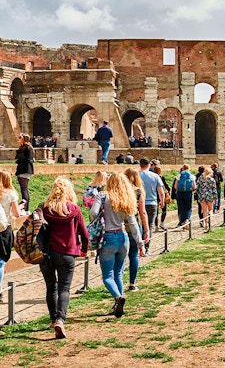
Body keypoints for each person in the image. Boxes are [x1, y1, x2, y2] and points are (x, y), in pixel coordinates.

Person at [40, 177, 89, 339]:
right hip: (68, 252)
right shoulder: (74, 209)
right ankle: (61, 319)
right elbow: (85, 234)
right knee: (64, 288)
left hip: (47, 254)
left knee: (50, 287)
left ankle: (54, 319)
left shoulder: (45, 209)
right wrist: (84, 250)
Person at [90, 172, 145, 317]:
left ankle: (118, 298)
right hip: (123, 237)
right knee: (118, 274)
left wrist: (102, 217)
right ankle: (118, 305)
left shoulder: (102, 196)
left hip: (108, 236)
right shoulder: (126, 198)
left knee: (107, 276)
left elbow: (93, 212)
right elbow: (133, 224)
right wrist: (140, 244)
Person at [123, 167, 150, 292]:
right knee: (133, 255)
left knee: (121, 257)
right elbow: (142, 212)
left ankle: (117, 281)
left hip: (119, 226)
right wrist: (146, 229)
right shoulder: (138, 191)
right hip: (134, 225)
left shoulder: (119, 191)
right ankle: (132, 283)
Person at [0, 171, 23, 301]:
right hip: (4, 229)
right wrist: (20, 207)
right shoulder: (10, 194)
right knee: (1, 261)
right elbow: (17, 214)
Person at [138, 158, 165, 253]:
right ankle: (146, 248)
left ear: (140, 165)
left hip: (138, 203)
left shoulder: (136, 175)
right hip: (152, 203)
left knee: (138, 224)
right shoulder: (155, 176)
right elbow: (161, 192)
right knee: (149, 226)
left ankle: (138, 245)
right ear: (149, 165)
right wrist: (162, 201)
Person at [15, 133, 34, 213]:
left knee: (24, 190)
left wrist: (19, 159)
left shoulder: (29, 148)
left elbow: (29, 159)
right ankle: (26, 209)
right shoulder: (21, 148)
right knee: (23, 190)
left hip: (25, 170)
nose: (18, 138)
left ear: (24, 139)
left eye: (20, 137)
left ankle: (25, 208)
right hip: (21, 169)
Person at [173, 164, 196, 230]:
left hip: (180, 193)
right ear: (189, 168)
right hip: (188, 193)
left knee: (181, 207)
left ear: (182, 168)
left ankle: (182, 222)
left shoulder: (179, 175)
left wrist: (178, 190)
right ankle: (187, 219)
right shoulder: (192, 176)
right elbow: (194, 187)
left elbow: (175, 186)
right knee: (188, 207)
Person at [151, 162, 171, 231]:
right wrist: (169, 190)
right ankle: (162, 223)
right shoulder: (161, 177)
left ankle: (156, 226)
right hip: (161, 194)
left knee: (156, 211)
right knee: (164, 210)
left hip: (154, 195)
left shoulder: (152, 177)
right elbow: (165, 185)